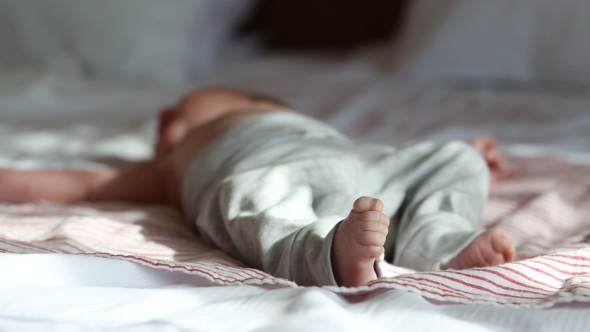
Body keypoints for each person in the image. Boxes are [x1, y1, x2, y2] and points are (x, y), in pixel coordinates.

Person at [0, 87, 515, 287]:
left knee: (452, 159)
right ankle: (327, 252)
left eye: (183, 109)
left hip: (360, 163)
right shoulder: (167, 171)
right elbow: (80, 184)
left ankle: (441, 242)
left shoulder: (290, 118)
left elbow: (410, 165)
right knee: (260, 208)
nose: (167, 119)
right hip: (264, 172)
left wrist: (471, 155)